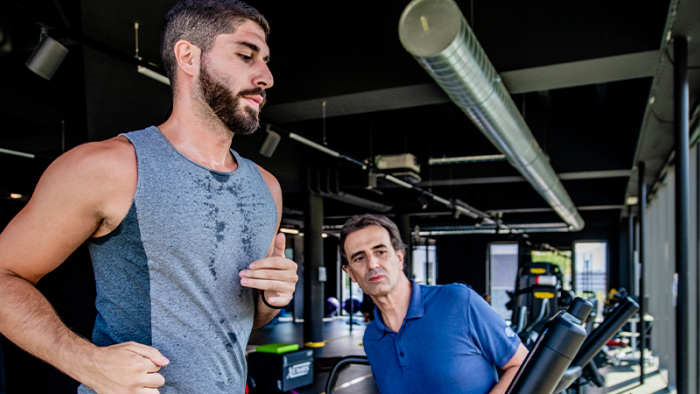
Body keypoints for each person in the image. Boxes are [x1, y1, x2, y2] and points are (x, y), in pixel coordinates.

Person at [0, 1, 298, 393]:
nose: (267, 77)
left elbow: (245, 320)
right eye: (246, 55)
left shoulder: (266, 188)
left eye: (266, 61)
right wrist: (85, 362)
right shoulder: (110, 168)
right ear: (188, 56)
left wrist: (271, 299)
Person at [340, 214, 528, 394]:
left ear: (399, 258)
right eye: (359, 258)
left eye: (380, 252)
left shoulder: (458, 301)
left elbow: (521, 364)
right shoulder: (372, 337)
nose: (372, 264)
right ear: (350, 273)